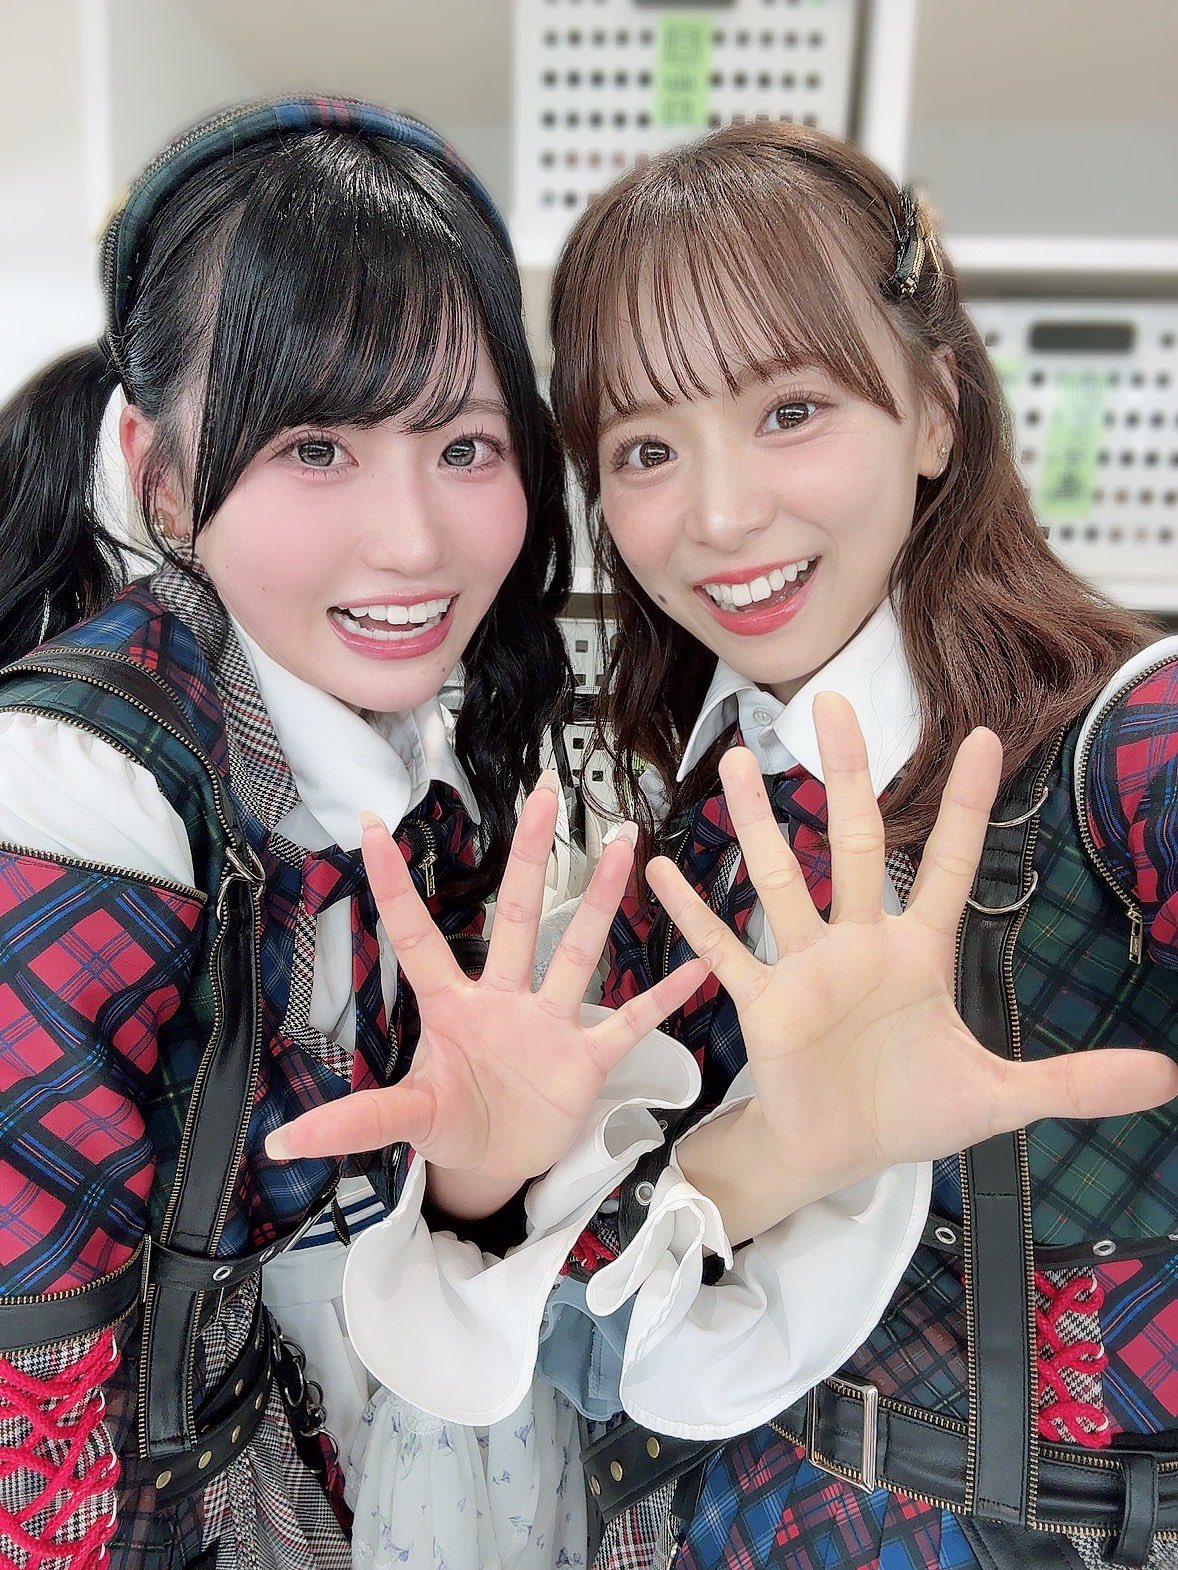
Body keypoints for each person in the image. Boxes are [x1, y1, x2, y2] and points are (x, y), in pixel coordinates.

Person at [277, 124, 1178, 1570]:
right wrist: (699, 1165)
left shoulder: (1118, 748)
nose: (717, 515)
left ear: (935, 414)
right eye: (645, 449)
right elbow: (592, 1344)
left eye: (789, 410)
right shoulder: (693, 839)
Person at [0, 95, 717, 1570]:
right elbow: (36, 1398)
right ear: (160, 473)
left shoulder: (403, 745)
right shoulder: (78, 797)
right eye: (317, 445)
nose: (413, 540)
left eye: (465, 445)